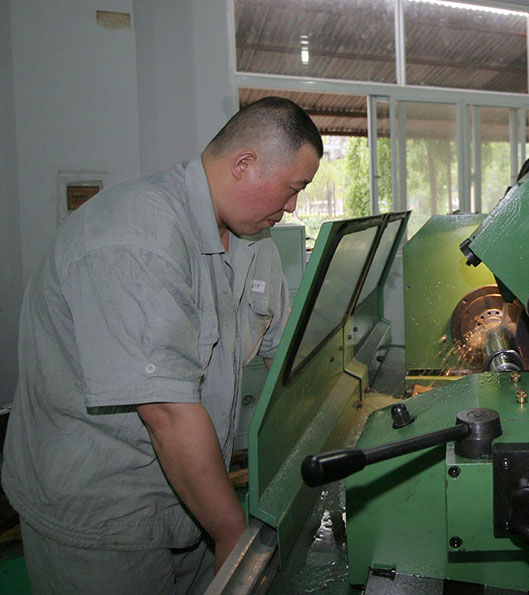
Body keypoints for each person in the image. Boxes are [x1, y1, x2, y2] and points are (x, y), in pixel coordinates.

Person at [1, 97, 322, 593]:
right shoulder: (134, 238)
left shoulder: (254, 241)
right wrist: (230, 533)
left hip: (191, 498)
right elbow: (167, 413)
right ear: (244, 164)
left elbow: (286, 356)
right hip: (102, 517)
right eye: (293, 188)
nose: (293, 207)